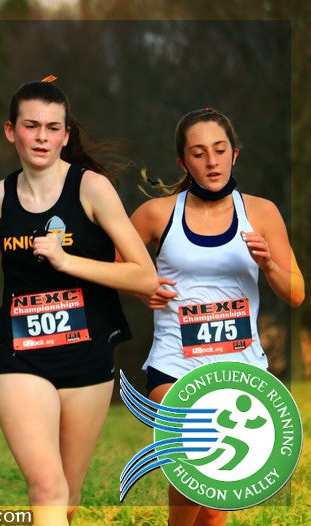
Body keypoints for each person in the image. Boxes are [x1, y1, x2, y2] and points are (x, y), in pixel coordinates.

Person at [0, 78, 157, 525]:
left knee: (67, 499)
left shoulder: (91, 189)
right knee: (47, 486)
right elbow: (0, 248)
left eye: (53, 128)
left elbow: (143, 275)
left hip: (86, 353)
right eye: (31, 126)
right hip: (19, 355)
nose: (42, 137)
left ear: (66, 134)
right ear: (10, 131)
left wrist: (67, 261)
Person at [129, 108, 305, 526]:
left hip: (240, 371)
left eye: (219, 150)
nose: (211, 161)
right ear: (183, 162)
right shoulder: (157, 214)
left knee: (215, 505)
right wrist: (142, 287)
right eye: (199, 153)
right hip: (174, 366)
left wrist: (270, 266)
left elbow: (296, 293)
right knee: (195, 461)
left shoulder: (261, 213)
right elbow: (115, 263)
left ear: (234, 155)